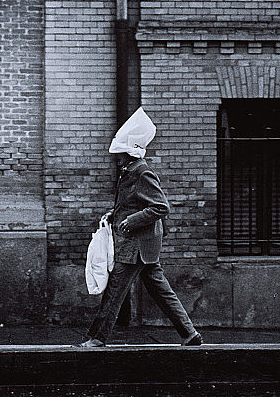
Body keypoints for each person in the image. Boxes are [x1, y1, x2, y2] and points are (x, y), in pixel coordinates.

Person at [78, 107, 202, 348]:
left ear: (129, 153)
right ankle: (189, 333)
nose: (117, 158)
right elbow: (133, 203)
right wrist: (115, 214)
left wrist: (130, 221)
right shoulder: (131, 171)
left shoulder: (142, 172)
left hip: (135, 245)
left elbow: (160, 206)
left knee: (115, 291)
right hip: (142, 244)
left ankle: (97, 338)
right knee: (161, 291)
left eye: (120, 154)